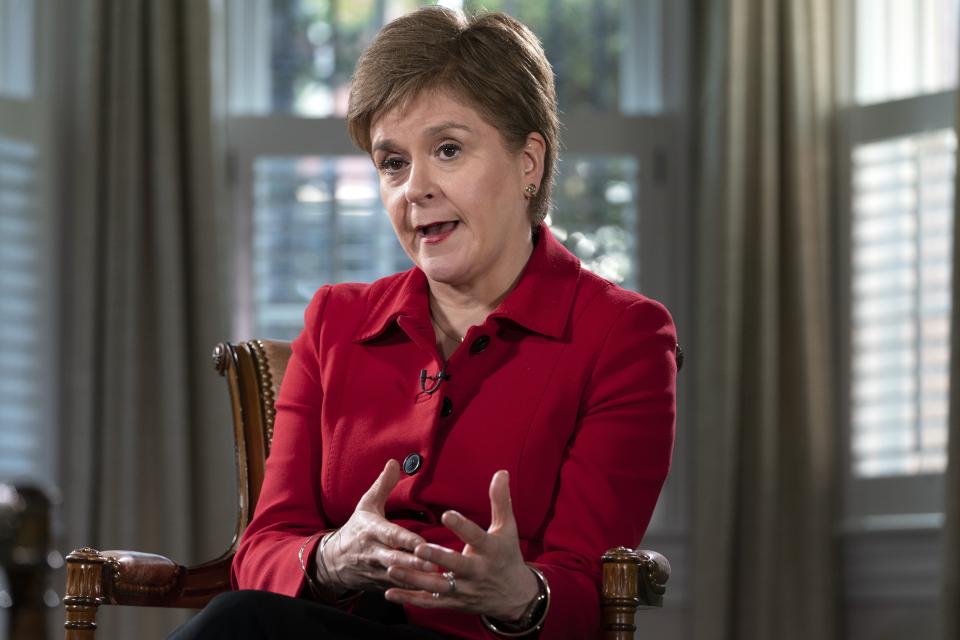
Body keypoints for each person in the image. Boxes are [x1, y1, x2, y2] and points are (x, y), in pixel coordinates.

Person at [171, 6, 677, 639]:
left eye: (447, 149)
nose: (414, 188)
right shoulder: (336, 321)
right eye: (392, 163)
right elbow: (266, 546)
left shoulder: (623, 337)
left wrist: (518, 594)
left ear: (529, 163)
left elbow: (591, 590)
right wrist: (332, 558)